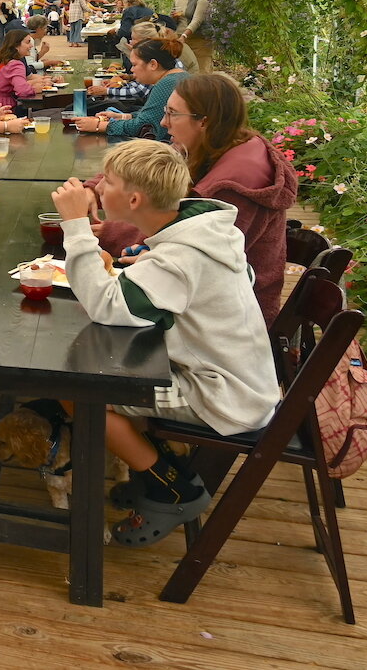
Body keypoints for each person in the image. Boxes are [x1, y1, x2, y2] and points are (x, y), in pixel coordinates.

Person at [51, 140, 280, 545]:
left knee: (77, 391)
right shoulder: (204, 232)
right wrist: (150, 260)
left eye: (109, 183)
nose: (99, 189)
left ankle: (169, 486)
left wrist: (75, 228)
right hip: (245, 378)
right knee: (108, 375)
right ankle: (160, 465)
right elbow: (228, 278)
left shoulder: (179, 258)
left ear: (134, 198)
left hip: (222, 395)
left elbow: (106, 307)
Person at [86, 73, 297, 323]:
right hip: (194, 298)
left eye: (173, 114)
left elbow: (180, 241)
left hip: (222, 323)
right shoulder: (220, 144)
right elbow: (149, 164)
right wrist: (93, 187)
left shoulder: (232, 185)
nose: (164, 123)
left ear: (204, 122)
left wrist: (106, 232)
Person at [73, 39, 185, 139]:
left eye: (135, 65)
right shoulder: (178, 77)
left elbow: (143, 125)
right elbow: (153, 113)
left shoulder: (167, 84)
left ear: (153, 64)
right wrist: (123, 116)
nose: (132, 70)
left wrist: (99, 126)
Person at [0, 30, 52, 115]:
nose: (31, 45)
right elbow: (22, 90)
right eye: (28, 42)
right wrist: (35, 89)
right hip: (3, 107)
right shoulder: (16, 64)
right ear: (16, 45)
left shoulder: (4, 59)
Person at [171, 0, 213, 66]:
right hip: (180, 39)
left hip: (199, 40)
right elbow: (172, 18)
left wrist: (184, 36)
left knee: (201, 70)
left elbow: (197, 20)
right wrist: (174, 18)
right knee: (183, 69)